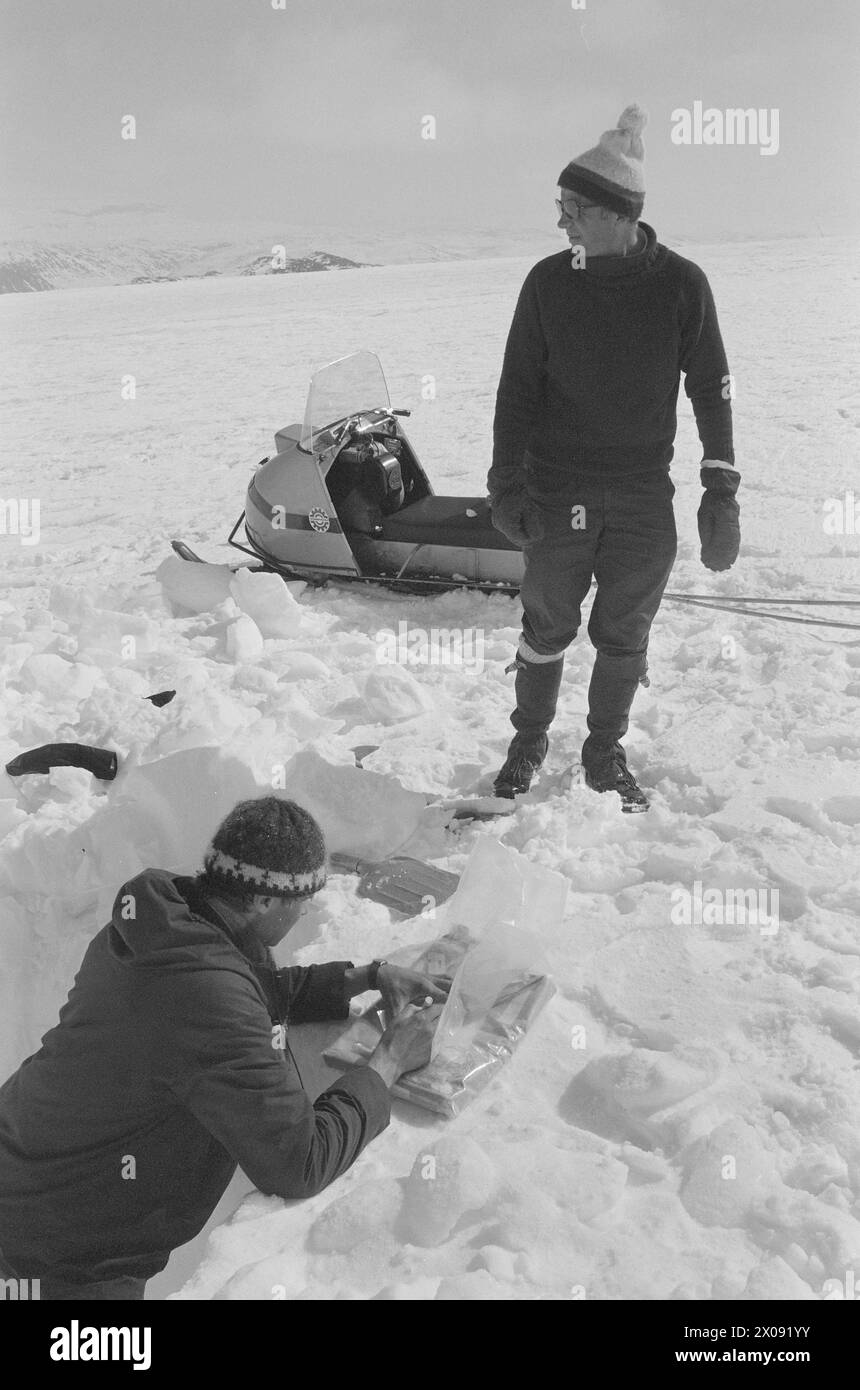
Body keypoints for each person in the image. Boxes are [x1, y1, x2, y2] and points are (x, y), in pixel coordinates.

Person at [0, 796, 448, 1300]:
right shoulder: (209, 996)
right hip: (70, 1244)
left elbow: (245, 990)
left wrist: (367, 976)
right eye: (301, 900)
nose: (306, 911)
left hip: (24, 1154)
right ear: (262, 901)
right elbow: (299, 1161)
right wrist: (388, 1061)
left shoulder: (159, 928)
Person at [487, 104, 740, 810]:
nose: (562, 221)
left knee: (624, 635)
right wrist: (506, 481)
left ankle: (603, 752)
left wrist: (720, 484)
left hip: (639, 495)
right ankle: (528, 740)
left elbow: (710, 386)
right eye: (561, 206)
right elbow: (517, 391)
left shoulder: (680, 285)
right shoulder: (549, 283)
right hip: (557, 489)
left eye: (573, 208)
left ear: (617, 214)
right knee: (547, 626)